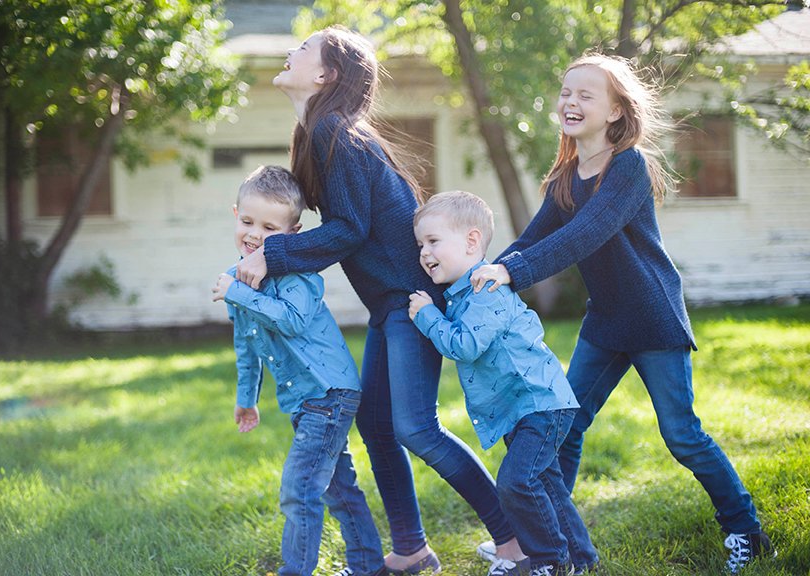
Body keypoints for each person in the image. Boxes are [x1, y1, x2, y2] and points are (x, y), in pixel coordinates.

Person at [231, 26, 522, 575]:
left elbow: (348, 230)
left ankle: (514, 540)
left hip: (411, 302)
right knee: (377, 424)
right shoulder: (319, 132)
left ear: (326, 75)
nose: (290, 51)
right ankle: (411, 551)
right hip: (390, 303)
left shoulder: (334, 132)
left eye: (302, 49)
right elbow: (343, 226)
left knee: (415, 427)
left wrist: (273, 254)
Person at [469, 53, 775, 574]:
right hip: (605, 321)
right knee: (563, 427)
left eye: (586, 95)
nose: (571, 102)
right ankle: (555, 544)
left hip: (653, 318)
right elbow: (535, 238)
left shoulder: (628, 166)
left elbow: (585, 234)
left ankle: (746, 529)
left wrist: (514, 273)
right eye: (566, 93)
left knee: (682, 434)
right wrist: (480, 277)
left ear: (614, 112)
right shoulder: (567, 174)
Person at [408, 191, 599, 576]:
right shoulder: (462, 294)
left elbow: (464, 345)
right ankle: (582, 560)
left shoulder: (486, 291)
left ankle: (549, 561)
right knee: (547, 485)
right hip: (522, 408)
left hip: (539, 404)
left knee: (516, 482)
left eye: (432, 241)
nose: (424, 253)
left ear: (472, 241)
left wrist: (427, 316)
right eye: (420, 245)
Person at [211, 165, 387, 576]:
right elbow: (247, 346)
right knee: (339, 489)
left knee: (299, 490)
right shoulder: (239, 278)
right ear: (235, 213)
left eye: (270, 227)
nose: (255, 234)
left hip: (329, 395)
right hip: (306, 399)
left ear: (293, 233)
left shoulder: (298, 274)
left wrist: (237, 292)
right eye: (248, 221)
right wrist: (246, 399)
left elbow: (290, 319)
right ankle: (369, 566)